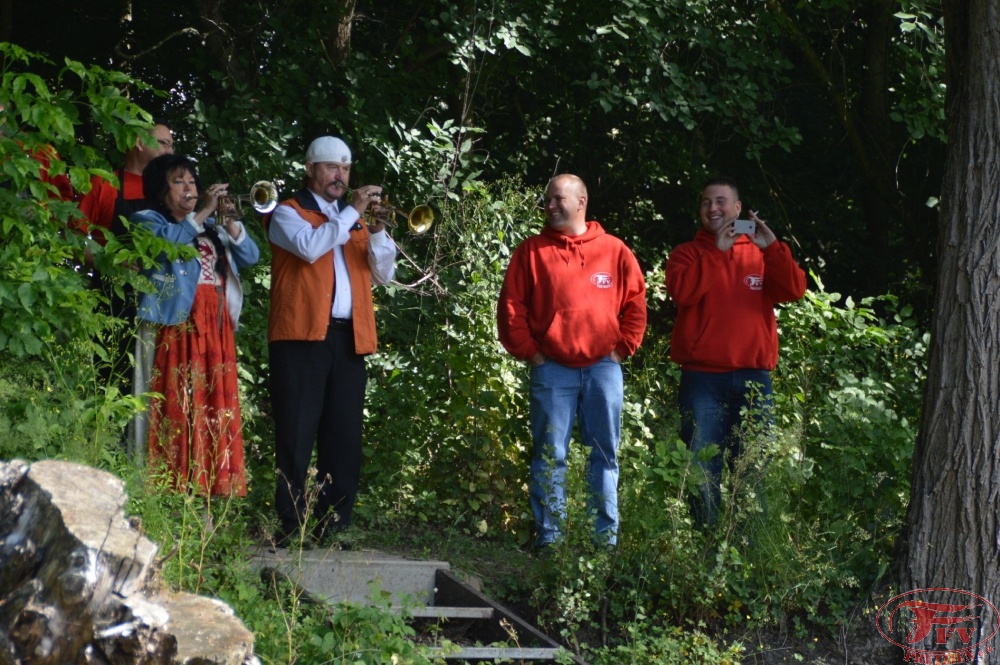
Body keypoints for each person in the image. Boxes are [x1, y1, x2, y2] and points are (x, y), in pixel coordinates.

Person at [497, 174, 647, 550]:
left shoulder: (614, 250)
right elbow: (511, 309)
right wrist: (532, 353)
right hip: (553, 371)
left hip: (603, 369)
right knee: (550, 456)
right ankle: (550, 540)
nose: (548, 205)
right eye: (547, 199)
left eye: (556, 199)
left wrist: (622, 349)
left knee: (605, 456)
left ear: (581, 202)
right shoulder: (531, 251)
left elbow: (636, 304)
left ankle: (604, 542)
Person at [266, 135, 398, 545]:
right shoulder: (288, 212)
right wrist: (353, 211)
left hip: (348, 338)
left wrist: (376, 231)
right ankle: (291, 526)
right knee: (296, 432)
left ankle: (333, 525)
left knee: (343, 437)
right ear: (310, 169)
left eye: (345, 169)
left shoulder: (355, 219)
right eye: (330, 167)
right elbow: (310, 247)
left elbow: (383, 275)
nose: (340, 176)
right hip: (302, 337)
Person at [665, 176, 806, 525]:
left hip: (754, 380)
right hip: (702, 380)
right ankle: (704, 549)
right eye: (706, 202)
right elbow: (682, 293)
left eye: (721, 201)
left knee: (752, 470)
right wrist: (716, 252)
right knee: (701, 469)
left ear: (739, 208)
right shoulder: (688, 253)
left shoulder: (761, 254)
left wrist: (773, 247)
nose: (712, 208)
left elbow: (794, 290)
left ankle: (747, 549)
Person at [130, 153, 260, 496]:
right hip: (174, 325)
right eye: (178, 182)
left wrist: (230, 220)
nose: (189, 188)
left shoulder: (211, 229)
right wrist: (201, 211)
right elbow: (164, 247)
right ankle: (169, 493)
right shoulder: (147, 220)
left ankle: (206, 494)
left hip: (215, 329)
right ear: (161, 191)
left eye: (192, 182)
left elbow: (251, 257)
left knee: (210, 405)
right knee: (174, 405)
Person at [76, 121, 175, 242]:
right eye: (165, 144)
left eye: (171, 146)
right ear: (140, 143)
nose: (171, 153)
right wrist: (111, 260)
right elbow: (73, 239)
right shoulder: (103, 184)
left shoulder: (172, 188)